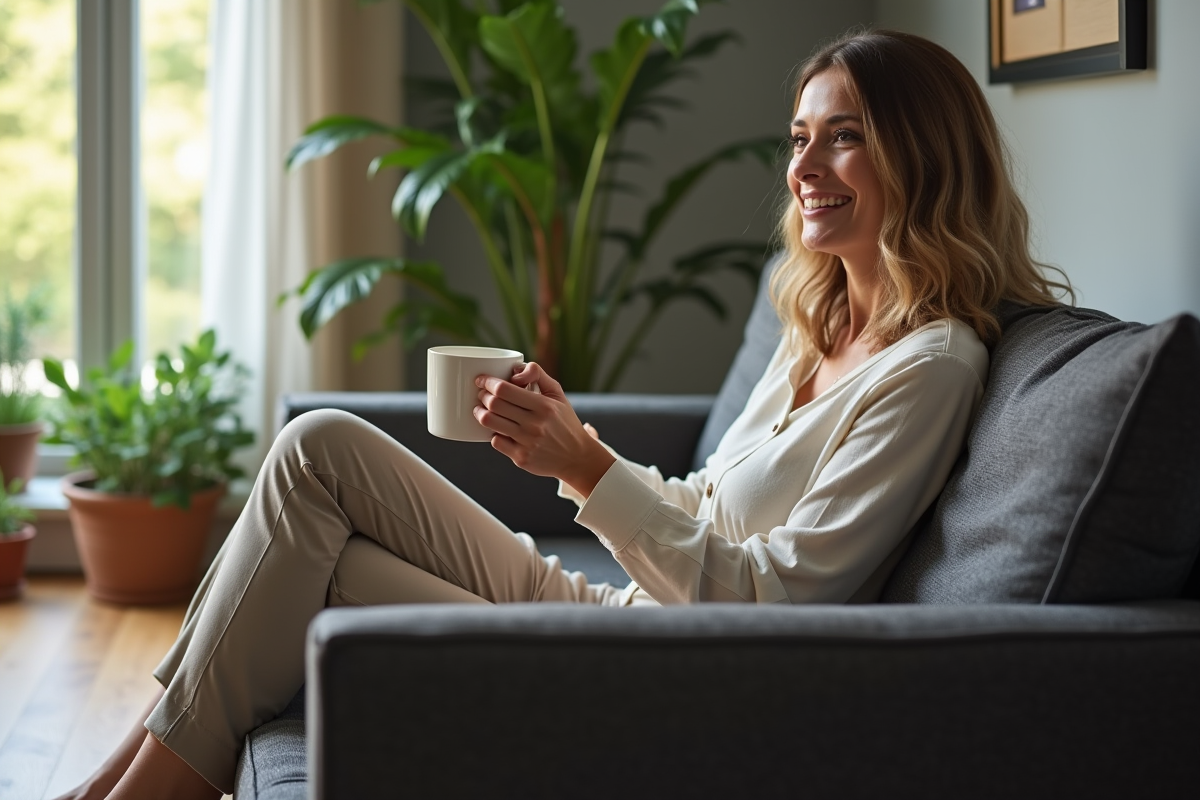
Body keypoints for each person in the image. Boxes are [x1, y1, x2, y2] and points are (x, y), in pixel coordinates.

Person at [58, 28, 1071, 800]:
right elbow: (708, 500)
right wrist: (571, 448)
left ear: (924, 155)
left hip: (681, 667)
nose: (804, 170)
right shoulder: (823, 314)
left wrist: (586, 466)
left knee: (316, 471)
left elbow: (779, 604)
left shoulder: (931, 368)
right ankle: (114, 782)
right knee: (314, 500)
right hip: (633, 610)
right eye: (801, 138)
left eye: (845, 139)